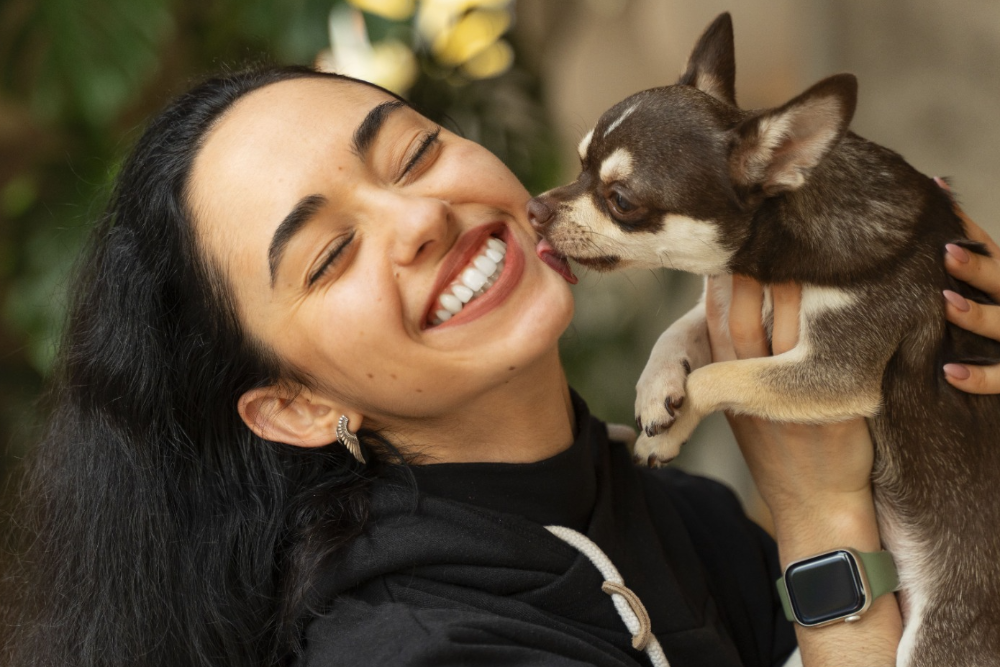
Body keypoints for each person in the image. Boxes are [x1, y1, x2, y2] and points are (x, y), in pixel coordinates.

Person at [4, 65, 999, 667]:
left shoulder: (666, 509)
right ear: (296, 406)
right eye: (331, 253)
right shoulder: (416, 649)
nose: (421, 216)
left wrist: (954, 402)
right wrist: (819, 519)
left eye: (411, 153)